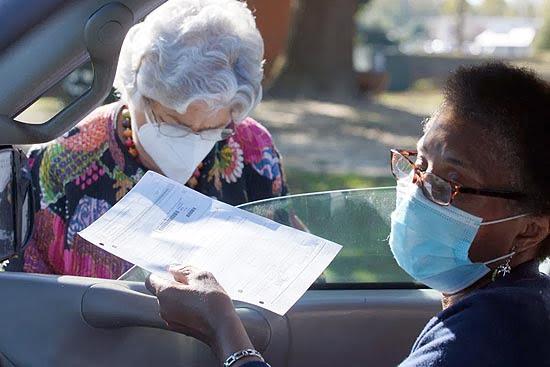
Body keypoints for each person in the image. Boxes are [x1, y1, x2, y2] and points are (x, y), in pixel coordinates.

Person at [146, 62, 550, 367]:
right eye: (420, 163)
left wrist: (224, 330)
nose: (417, 191)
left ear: (529, 231)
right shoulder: (515, 304)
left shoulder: (486, 337)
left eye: (451, 184)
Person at [23, 0, 287, 278]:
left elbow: (287, 267)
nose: (193, 141)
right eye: (174, 123)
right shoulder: (60, 160)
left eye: (213, 128)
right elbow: (30, 292)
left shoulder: (253, 147)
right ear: (135, 90)